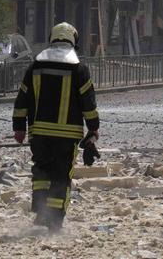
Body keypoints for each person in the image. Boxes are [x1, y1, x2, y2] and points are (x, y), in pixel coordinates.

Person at [12, 22, 99, 231]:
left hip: (39, 133)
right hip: (67, 135)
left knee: (41, 171)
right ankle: (54, 221)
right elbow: (88, 102)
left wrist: (19, 127)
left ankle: (41, 213)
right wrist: (93, 128)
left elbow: (22, 98)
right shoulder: (78, 68)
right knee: (61, 176)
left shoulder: (35, 66)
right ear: (73, 41)